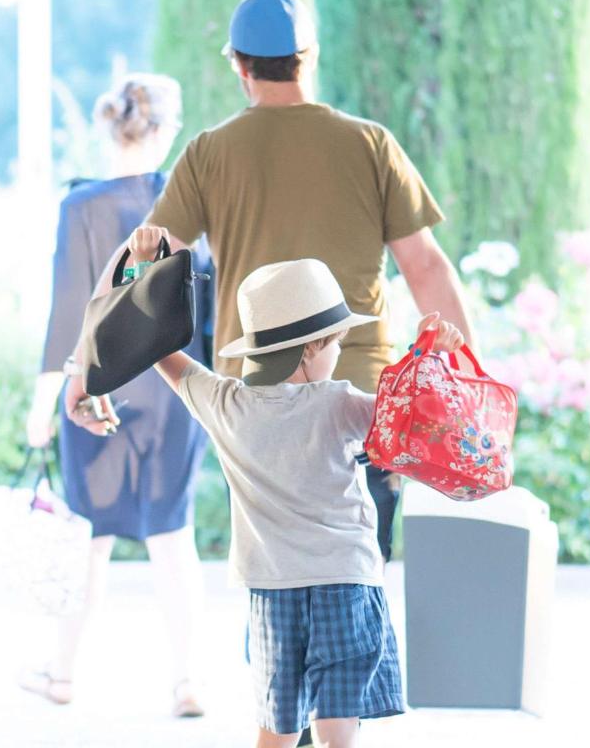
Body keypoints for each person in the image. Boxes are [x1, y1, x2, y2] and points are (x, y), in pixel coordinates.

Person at [64, 0, 474, 565]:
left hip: (258, 411)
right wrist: (465, 382)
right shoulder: (370, 144)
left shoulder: (210, 153)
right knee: (362, 574)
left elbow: (141, 259)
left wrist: (86, 367)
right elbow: (426, 267)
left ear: (240, 66)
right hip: (362, 397)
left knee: (272, 577)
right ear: (311, 56)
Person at [124, 236, 466, 748]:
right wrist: (428, 356)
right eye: (335, 342)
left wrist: (140, 270)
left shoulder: (224, 405)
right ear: (309, 349)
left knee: (277, 731)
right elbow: (415, 423)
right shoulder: (340, 403)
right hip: (346, 582)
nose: (339, 353)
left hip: (273, 590)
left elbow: (158, 350)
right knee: (337, 736)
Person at [22, 74, 213, 717]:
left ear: (111, 127)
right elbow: (209, 309)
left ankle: (63, 673)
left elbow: (68, 312)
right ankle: (187, 682)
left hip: (97, 392)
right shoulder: (192, 208)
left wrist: (43, 404)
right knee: (174, 537)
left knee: (89, 538)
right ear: (167, 130)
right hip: (178, 393)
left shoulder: (81, 207)